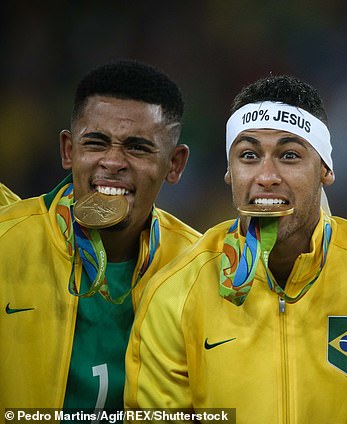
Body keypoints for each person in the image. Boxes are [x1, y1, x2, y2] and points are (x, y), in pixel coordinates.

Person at [124, 75, 347, 423]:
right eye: (248, 155)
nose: (266, 176)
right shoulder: (175, 293)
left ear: (325, 170)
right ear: (230, 172)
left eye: (289, 156)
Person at [0, 60, 200, 415]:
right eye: (96, 142)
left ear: (174, 164)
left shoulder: (198, 270)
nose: (113, 161)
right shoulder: (7, 244)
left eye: (137, 148)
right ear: (68, 150)